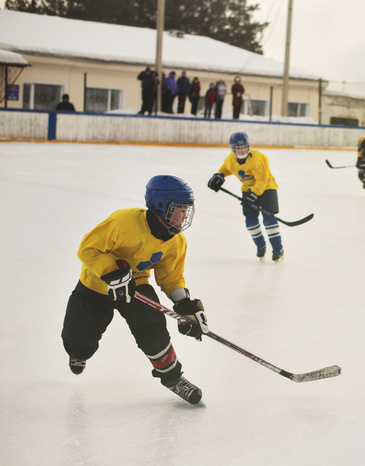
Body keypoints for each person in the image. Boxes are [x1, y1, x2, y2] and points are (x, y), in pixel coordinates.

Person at [60, 175, 208, 404]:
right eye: (178, 210)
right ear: (160, 206)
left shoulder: (176, 241)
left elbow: (171, 277)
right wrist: (111, 272)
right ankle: (78, 353)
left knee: (153, 329)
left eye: (186, 210)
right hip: (96, 286)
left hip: (135, 287)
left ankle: (173, 379)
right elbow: (87, 249)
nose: (183, 216)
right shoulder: (123, 222)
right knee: (78, 344)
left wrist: (183, 303)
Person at [207, 132, 285, 263]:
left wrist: (254, 194)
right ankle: (261, 246)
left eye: (243, 147)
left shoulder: (257, 158)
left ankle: (278, 249)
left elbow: (262, 180)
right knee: (250, 221)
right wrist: (220, 175)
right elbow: (226, 168)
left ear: (248, 146)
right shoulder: (230, 159)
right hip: (248, 190)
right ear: (233, 149)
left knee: (269, 219)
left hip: (267, 188)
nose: (241, 150)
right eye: (238, 148)